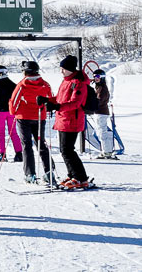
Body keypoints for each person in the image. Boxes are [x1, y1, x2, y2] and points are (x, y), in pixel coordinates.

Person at [38, 55, 92, 189]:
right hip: (63, 119)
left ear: (70, 69)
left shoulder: (78, 83)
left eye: (63, 69)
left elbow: (75, 103)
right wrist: (48, 100)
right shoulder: (67, 81)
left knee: (68, 150)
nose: (61, 71)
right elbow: (61, 98)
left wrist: (57, 107)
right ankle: (73, 174)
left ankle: (80, 178)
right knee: (65, 150)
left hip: (72, 120)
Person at [8, 61, 53, 184]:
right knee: (41, 144)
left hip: (24, 118)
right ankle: (49, 172)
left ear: (25, 71)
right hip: (40, 117)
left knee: (27, 145)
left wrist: (14, 112)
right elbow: (50, 98)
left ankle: (30, 174)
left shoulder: (22, 84)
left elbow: (13, 102)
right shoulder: (45, 84)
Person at [90, 69, 117, 160]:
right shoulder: (99, 87)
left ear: (102, 77)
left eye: (97, 77)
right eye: (94, 76)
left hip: (101, 112)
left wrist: (91, 105)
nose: (95, 78)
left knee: (102, 132)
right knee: (100, 132)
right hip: (99, 112)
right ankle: (105, 150)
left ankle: (107, 151)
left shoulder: (102, 88)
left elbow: (99, 101)